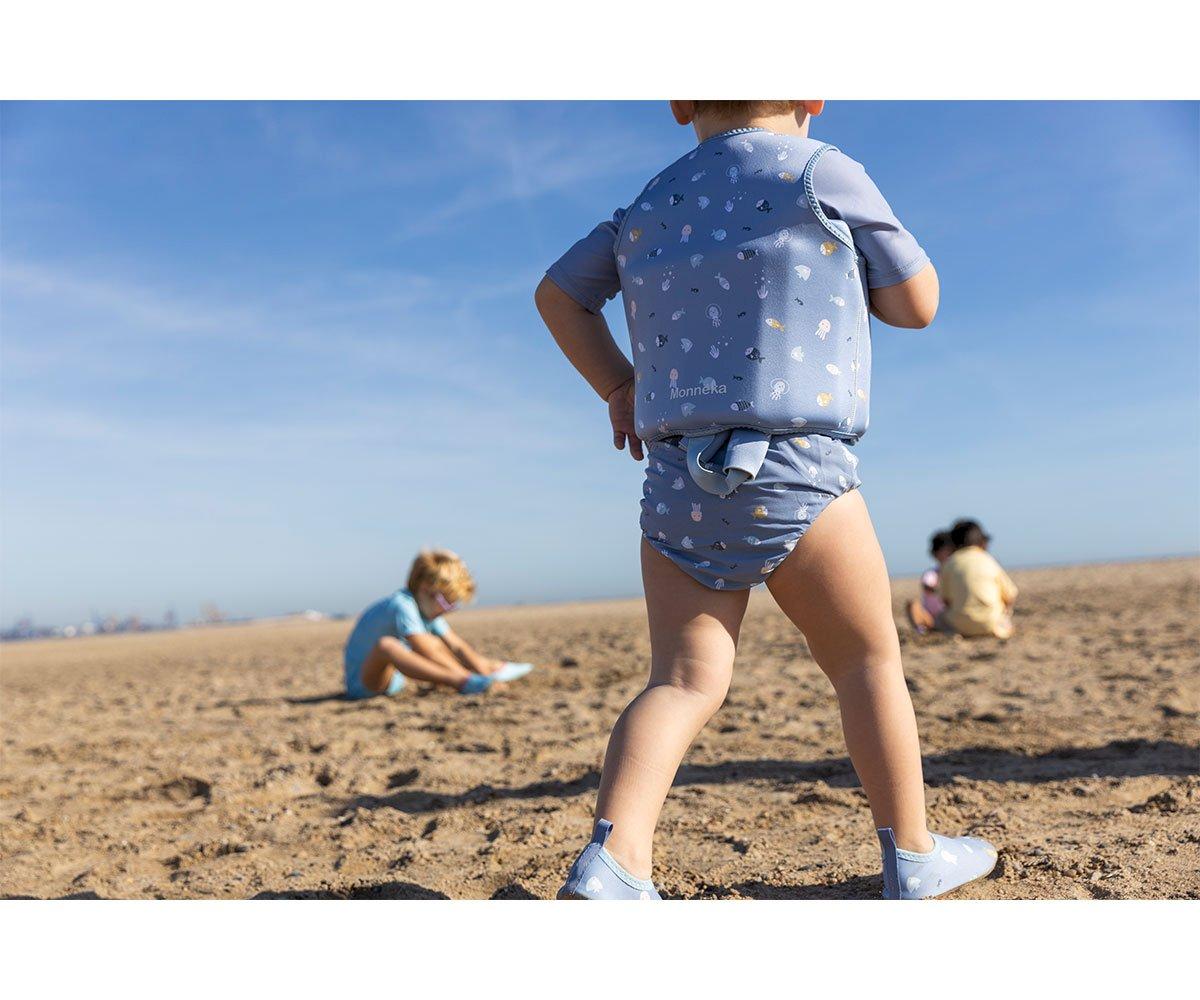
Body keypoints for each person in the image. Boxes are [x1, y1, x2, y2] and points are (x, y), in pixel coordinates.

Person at [535, 100, 996, 900]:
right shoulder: (824, 172)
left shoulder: (646, 204)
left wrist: (619, 382)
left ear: (680, 103)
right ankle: (913, 853)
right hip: (798, 466)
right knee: (864, 661)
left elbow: (558, 295)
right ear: (812, 93)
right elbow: (916, 306)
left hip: (677, 474)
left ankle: (614, 861)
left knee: (680, 681)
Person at [342, 549, 533, 699]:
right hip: (364, 684)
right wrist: (465, 678)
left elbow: (456, 645)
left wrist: (479, 668)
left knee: (436, 641)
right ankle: (464, 680)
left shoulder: (425, 610)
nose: (448, 610)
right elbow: (424, 649)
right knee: (388, 646)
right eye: (446, 602)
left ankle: (485, 670)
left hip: (392, 681)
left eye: (454, 604)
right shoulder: (402, 605)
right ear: (425, 590)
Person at [937, 520, 1019, 639]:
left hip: (959, 624)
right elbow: (1011, 594)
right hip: (990, 623)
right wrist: (1005, 611)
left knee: (939, 618)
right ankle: (1001, 627)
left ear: (953, 544)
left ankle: (955, 632)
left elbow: (945, 599)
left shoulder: (949, 563)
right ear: (982, 541)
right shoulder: (988, 559)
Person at [907, 529, 955, 633]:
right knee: (913, 605)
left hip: (949, 616)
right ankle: (921, 629)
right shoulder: (932, 574)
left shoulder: (955, 573)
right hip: (931, 618)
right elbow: (927, 586)